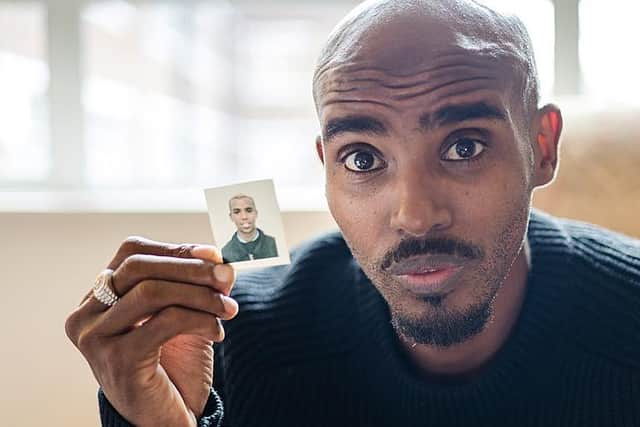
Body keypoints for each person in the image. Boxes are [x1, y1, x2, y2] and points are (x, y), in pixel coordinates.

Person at [65, 1, 640, 426]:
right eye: (363, 158)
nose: (415, 216)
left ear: (541, 146)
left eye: (464, 146)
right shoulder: (223, 350)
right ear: (326, 169)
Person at [221, 194, 278, 262]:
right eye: (237, 212)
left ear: (256, 213)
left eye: (249, 210)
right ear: (231, 217)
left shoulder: (274, 244)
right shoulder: (225, 253)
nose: (244, 217)